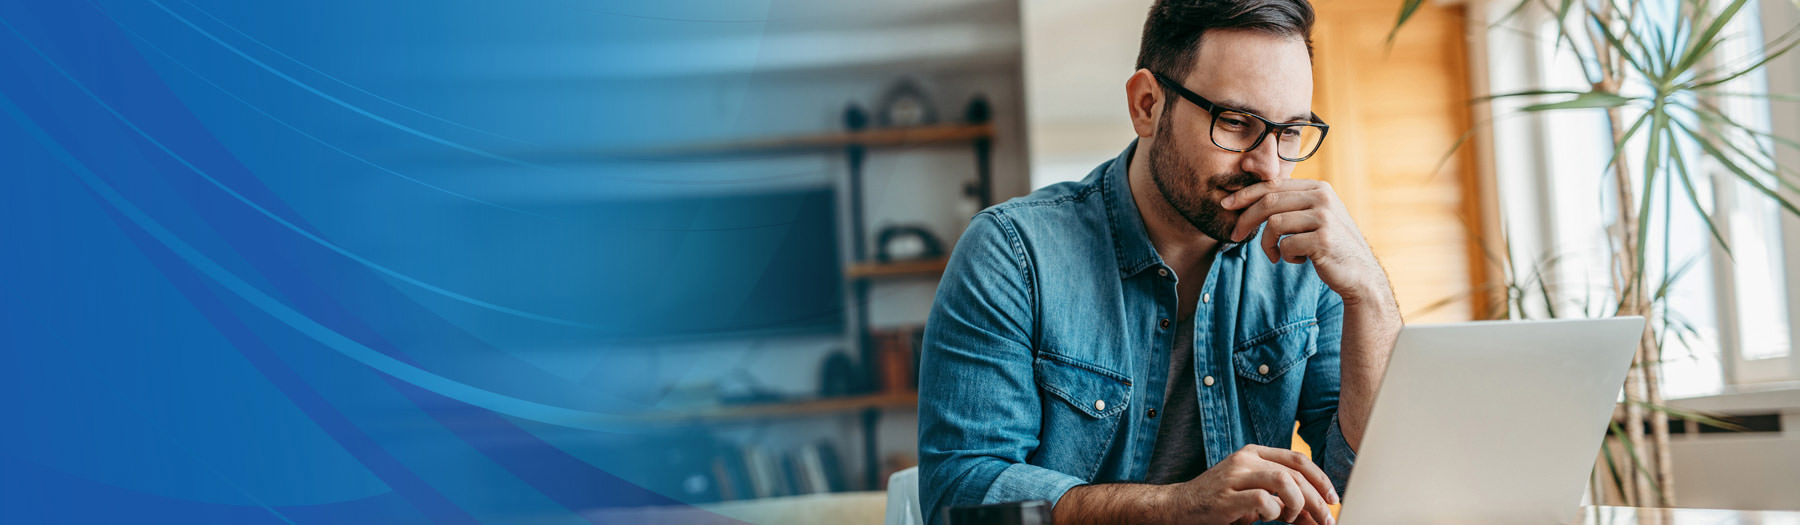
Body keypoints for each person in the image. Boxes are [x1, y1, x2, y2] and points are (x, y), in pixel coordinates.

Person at [916, 1, 1403, 523]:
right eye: (1236, 122)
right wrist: (1176, 507)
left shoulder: (1308, 260)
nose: (1268, 167)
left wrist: (1369, 293)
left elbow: (1378, 479)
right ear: (1147, 104)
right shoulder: (1012, 254)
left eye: (1289, 133)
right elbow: (961, 492)